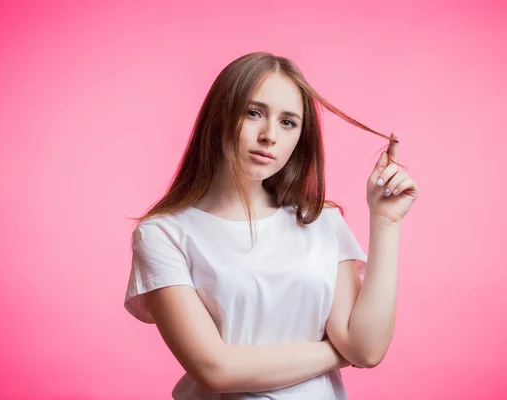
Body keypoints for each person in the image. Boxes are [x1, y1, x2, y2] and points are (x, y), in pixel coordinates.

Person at [124, 52, 419, 399]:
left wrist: (385, 222)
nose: (269, 136)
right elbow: (215, 370)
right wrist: (337, 354)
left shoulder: (321, 221)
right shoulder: (163, 234)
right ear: (219, 117)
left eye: (288, 122)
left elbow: (366, 349)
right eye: (253, 113)